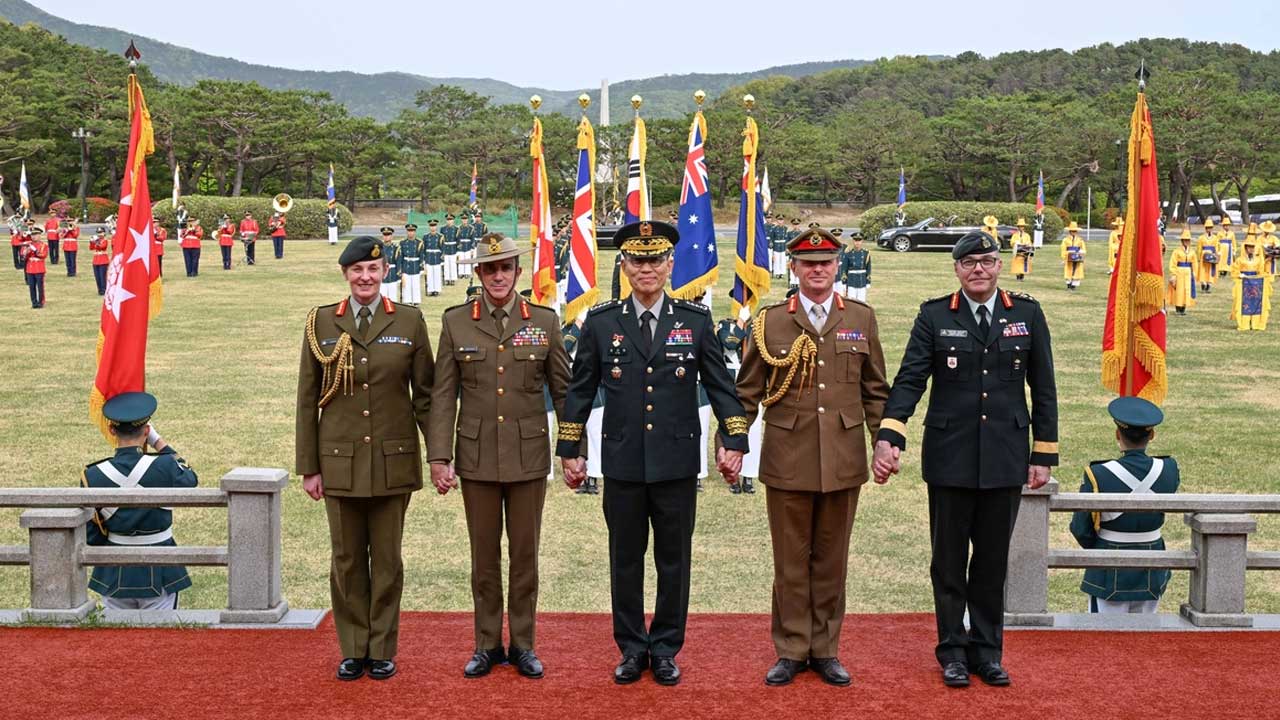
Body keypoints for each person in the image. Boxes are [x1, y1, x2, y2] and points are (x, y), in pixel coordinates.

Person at [556, 220, 750, 686]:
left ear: (669, 265)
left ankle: (664, 648)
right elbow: (580, 390)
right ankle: (630, 648)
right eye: (637, 260)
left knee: (673, 561)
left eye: (655, 260)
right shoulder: (602, 322)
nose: (646, 268)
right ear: (624, 266)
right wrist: (570, 448)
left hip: (676, 463)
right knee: (624, 561)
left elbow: (720, 386)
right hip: (622, 461)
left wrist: (735, 440)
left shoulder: (695, 321)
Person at [872, 230, 1058, 689]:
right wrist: (890, 434)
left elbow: (1044, 388)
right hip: (950, 457)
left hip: (1004, 457)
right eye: (969, 262)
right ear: (956, 269)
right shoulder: (935, 315)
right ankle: (953, 652)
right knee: (949, 563)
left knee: (992, 563)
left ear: (1000, 266)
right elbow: (910, 379)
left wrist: (1043, 452)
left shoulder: (1027, 314)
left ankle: (988, 653)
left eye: (987, 261)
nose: (979, 269)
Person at [733, 227, 890, 687]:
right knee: (790, 560)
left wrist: (883, 441)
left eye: (825, 263)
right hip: (788, 456)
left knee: (831, 560)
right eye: (808, 263)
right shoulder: (769, 321)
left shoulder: (860, 317)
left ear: (837, 266)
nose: (817, 270)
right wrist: (734, 442)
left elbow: (875, 390)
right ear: (795, 268)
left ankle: (825, 649)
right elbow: (747, 391)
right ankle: (790, 648)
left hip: (843, 458)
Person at [428, 232, 571, 680]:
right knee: (484, 558)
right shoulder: (457, 322)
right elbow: (443, 394)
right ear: (479, 273)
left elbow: (564, 391)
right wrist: (439, 456)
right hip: (476, 458)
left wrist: (573, 450)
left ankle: (524, 644)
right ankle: (487, 644)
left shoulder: (544, 321)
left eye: (505, 268)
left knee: (525, 557)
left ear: (517, 272)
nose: (498, 276)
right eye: (489, 269)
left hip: (528, 457)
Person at [295, 235, 435, 682]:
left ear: (385, 272)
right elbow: (306, 399)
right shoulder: (321, 322)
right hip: (339, 462)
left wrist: (439, 456)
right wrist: (309, 467)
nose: (365, 277)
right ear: (345, 274)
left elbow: (425, 397)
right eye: (357, 270)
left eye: (373, 269)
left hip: (394, 461)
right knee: (347, 560)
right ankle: (354, 648)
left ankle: (382, 648)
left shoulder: (409, 321)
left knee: (388, 562)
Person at [83, 391, 197, 610]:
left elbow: (92, 533)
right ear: (146, 431)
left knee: (116, 632)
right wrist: (158, 442)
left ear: (111, 429)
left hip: (114, 571)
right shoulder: (165, 466)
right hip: (160, 568)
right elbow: (190, 479)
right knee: (160, 631)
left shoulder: (92, 475)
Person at [1069, 397, 1179, 615]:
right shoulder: (1169, 469)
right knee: (1145, 631)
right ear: (1152, 435)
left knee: (1105, 633)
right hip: (1153, 561)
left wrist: (1098, 548)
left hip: (1109, 561)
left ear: (1117, 434)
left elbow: (1081, 528)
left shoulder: (1098, 473)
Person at [717, 305, 761, 494]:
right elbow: (730, 343)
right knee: (731, 425)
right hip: (730, 379)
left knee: (753, 429)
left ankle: (748, 476)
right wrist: (741, 322)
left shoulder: (759, 327)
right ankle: (733, 476)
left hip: (752, 379)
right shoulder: (725, 325)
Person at [1230, 231, 1270, 331]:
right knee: (1244, 303)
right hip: (1244, 284)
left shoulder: (1258, 260)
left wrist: (1264, 276)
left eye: (1253, 247)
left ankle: (1256, 323)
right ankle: (1244, 324)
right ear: (1246, 248)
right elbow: (1234, 271)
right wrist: (1240, 275)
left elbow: (1261, 271)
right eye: (1249, 247)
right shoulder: (1240, 260)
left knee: (1256, 302)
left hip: (1255, 284)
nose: (1251, 249)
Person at [1167, 229, 1198, 316]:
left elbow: (1195, 263)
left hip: (1188, 273)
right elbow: (1173, 263)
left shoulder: (1192, 252)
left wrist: (1194, 272)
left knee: (1186, 290)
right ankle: (1178, 308)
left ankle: (1184, 307)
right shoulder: (1176, 251)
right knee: (1179, 290)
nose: (1186, 241)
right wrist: (1173, 274)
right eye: (1185, 240)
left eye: (1188, 240)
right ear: (1182, 241)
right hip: (1179, 272)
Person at [20, 226, 48, 308]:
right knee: (31, 287)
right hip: (30, 268)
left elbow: (43, 255)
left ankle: (41, 302)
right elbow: (22, 255)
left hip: (39, 268)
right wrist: (26, 252)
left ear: (39, 235)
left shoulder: (43, 245)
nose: (33, 236)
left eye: (35, 234)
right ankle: (34, 302)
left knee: (40, 287)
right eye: (32, 235)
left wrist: (34, 250)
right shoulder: (27, 244)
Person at [842, 232, 872, 302]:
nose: (857, 243)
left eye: (859, 240)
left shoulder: (866, 253)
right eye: (855, 240)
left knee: (861, 302)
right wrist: (844, 282)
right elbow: (844, 268)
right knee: (852, 302)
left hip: (862, 281)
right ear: (853, 241)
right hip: (851, 281)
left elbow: (868, 268)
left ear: (862, 241)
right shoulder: (848, 253)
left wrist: (868, 281)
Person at [399, 223, 424, 306]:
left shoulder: (419, 242)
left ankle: (416, 300)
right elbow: (400, 256)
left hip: (415, 265)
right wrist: (401, 268)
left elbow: (421, 256)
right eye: (409, 231)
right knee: (406, 285)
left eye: (412, 231)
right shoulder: (402, 243)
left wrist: (421, 267)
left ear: (415, 232)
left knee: (416, 284)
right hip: (406, 265)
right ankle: (407, 301)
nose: (410, 233)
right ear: (407, 232)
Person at [378, 226, 402, 303]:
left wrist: (399, 275)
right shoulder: (379, 248)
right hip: (382, 275)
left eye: (388, 235)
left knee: (393, 297)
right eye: (384, 235)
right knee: (382, 297)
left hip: (392, 274)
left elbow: (398, 262)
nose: (386, 236)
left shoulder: (396, 248)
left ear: (391, 236)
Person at [1060, 221, 1085, 290]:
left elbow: (1083, 249)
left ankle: (1074, 285)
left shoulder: (1080, 240)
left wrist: (1080, 253)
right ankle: (1069, 285)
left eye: (1075, 231)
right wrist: (1065, 256)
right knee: (1068, 270)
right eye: (1072, 231)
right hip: (1068, 257)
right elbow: (1063, 249)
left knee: (1077, 270)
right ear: (1069, 231)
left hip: (1077, 257)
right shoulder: (1065, 240)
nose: (1074, 232)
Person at [1197, 218, 1218, 293]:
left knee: (1210, 270)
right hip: (1204, 255)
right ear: (1205, 228)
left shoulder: (1215, 238)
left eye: (1210, 228)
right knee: (1203, 269)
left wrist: (1216, 256)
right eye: (1207, 228)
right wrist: (1199, 257)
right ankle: (1203, 283)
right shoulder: (1201, 238)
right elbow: (1199, 248)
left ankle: (1209, 284)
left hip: (1212, 255)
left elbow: (1216, 247)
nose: (1209, 229)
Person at [423, 219, 443, 296]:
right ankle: (431, 290)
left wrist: (442, 258)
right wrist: (424, 259)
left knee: (437, 274)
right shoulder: (426, 236)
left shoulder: (440, 236)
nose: (432, 227)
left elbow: (442, 248)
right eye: (431, 226)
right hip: (429, 257)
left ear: (436, 227)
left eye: (434, 226)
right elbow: (424, 248)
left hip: (437, 257)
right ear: (429, 227)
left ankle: (437, 290)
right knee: (430, 275)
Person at [90, 226, 110, 295]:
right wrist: (91, 242)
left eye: (101, 232)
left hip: (103, 260)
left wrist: (96, 241)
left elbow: (102, 247)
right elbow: (91, 248)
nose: (99, 234)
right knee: (97, 276)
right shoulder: (97, 240)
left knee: (102, 276)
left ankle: (104, 290)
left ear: (104, 233)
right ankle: (100, 290)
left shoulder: (105, 240)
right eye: (98, 233)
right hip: (96, 260)